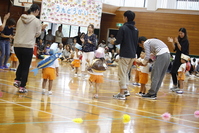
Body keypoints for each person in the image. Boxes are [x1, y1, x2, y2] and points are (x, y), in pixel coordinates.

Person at [13, 4, 47, 93]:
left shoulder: (20, 18)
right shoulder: (36, 21)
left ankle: (17, 80)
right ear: (36, 11)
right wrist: (41, 28)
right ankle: (22, 86)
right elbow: (37, 34)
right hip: (27, 46)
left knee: (22, 63)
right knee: (25, 67)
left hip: (17, 45)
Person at [110, 10, 139, 100]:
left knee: (122, 73)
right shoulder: (136, 29)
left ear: (126, 18)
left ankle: (122, 94)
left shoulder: (123, 28)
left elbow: (118, 41)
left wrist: (113, 42)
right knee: (126, 73)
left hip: (125, 54)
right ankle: (126, 90)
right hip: (132, 54)